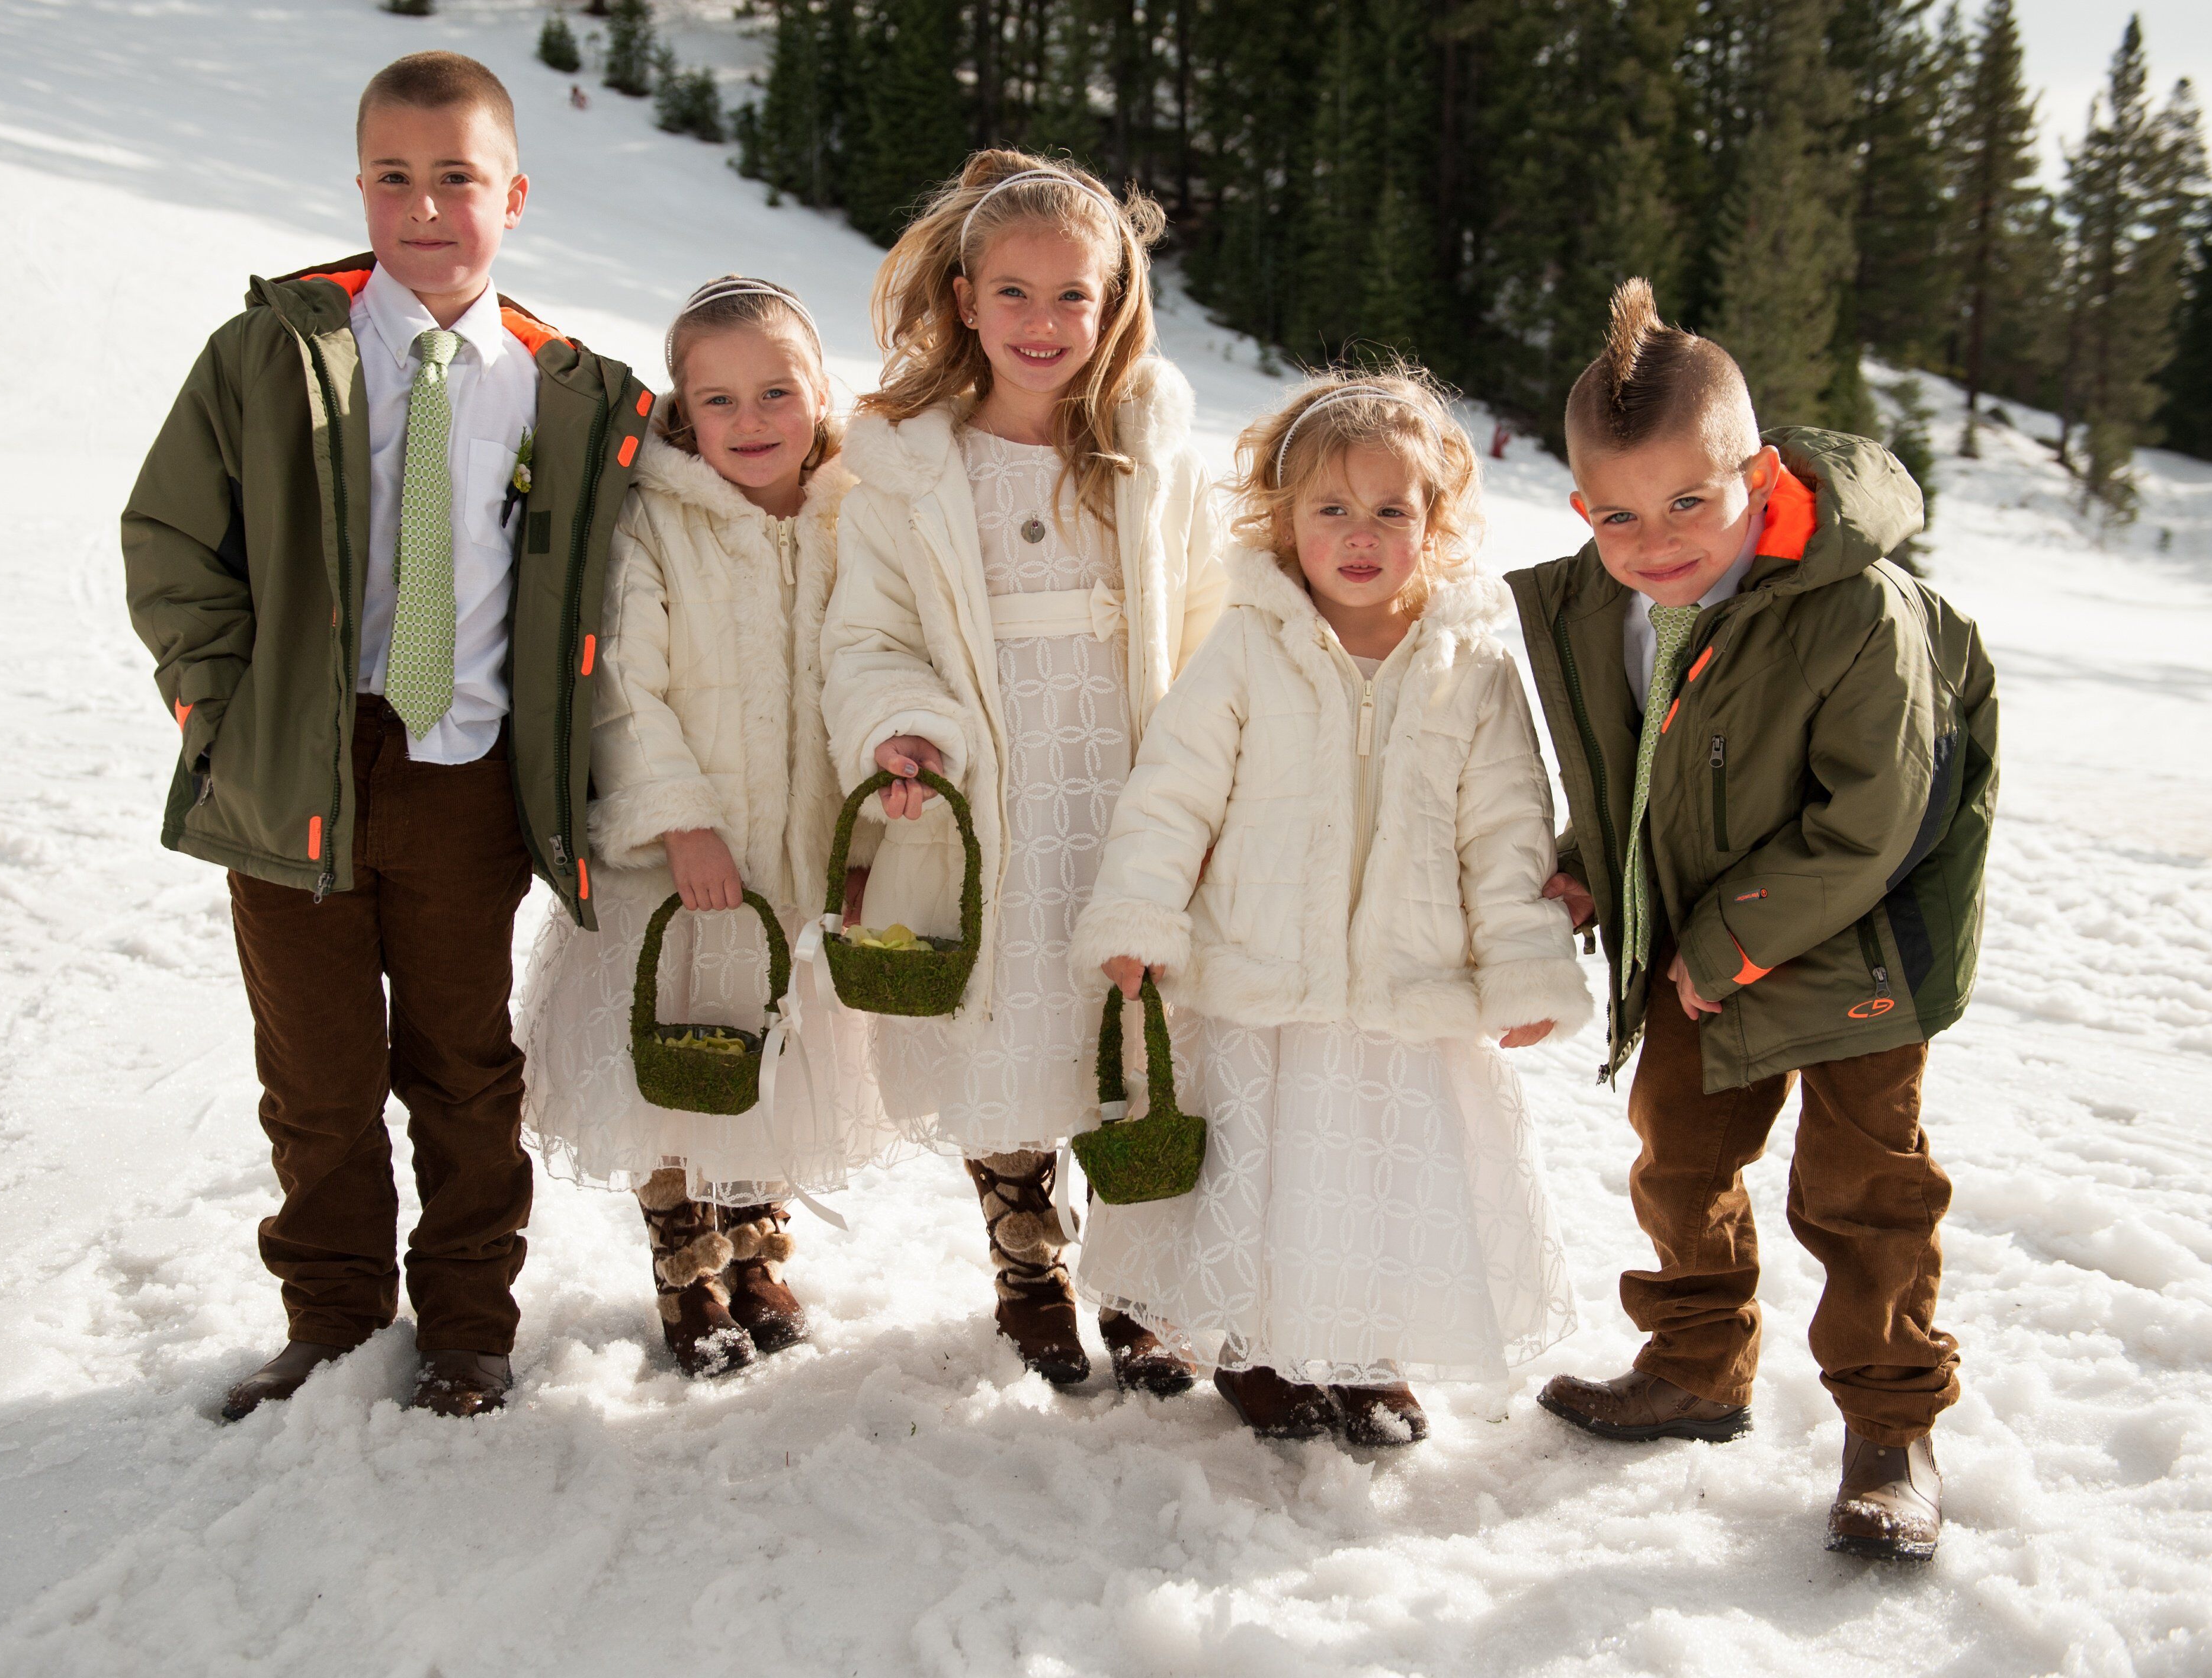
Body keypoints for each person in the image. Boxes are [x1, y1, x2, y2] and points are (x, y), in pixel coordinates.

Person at [121, 52, 653, 1420]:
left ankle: (470, 1325)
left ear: (514, 194)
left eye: (458, 179)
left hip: (462, 775)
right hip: (295, 765)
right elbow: (174, 540)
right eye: (395, 178)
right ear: (358, 185)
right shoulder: (270, 352)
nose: (425, 208)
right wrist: (219, 715)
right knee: (316, 1073)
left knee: (463, 1070)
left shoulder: (565, 391)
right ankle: (333, 1317)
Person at [1506, 280, 1996, 1559]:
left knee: (1862, 1193)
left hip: (1852, 952)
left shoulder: (1852, 611)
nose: (1655, 539)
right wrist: (1586, 864)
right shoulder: (1606, 606)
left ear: (1759, 473)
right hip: (1693, 955)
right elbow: (1641, 778)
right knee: (1677, 1160)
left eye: (1688, 501)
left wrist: (1729, 944)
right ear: (1580, 507)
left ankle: (1891, 1435)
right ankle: (1694, 1367)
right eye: (1617, 512)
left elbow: (1871, 821)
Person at [1069, 368, 1589, 1443]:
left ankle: (1365, 1357)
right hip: (1268, 982)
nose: (1361, 536)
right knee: (1268, 1182)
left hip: (1409, 985)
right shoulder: (1250, 648)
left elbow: (1507, 833)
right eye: (1332, 510)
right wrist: (1141, 921)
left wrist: (1524, 965)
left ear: (1436, 523)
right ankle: (1260, 1353)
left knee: (1376, 1188)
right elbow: (1172, 796)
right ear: (1283, 519)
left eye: (1392, 511)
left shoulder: (1472, 666)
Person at [820, 150, 1228, 1392]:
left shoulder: (1147, 451)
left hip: (1128, 779)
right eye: (1015, 295)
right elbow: (865, 633)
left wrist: (1220, 775)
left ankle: (1143, 1279)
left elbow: (1215, 618)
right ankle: (1025, 1252)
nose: (1044, 326)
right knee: (1006, 1021)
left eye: (1074, 299)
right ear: (962, 297)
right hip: (995, 785)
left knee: (1136, 1028)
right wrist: (897, 723)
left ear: (1115, 308)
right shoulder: (905, 463)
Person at [516, 277, 905, 1378]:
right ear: (684, 412)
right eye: (719, 401)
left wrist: (866, 847)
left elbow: (872, 670)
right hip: (681, 856)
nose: (752, 422)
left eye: (776, 392)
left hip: (800, 847)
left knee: (769, 1044)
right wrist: (678, 821)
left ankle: (753, 1235)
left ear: (821, 391)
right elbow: (625, 687)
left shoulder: (855, 517)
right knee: (678, 1051)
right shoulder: (658, 518)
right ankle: (685, 1252)